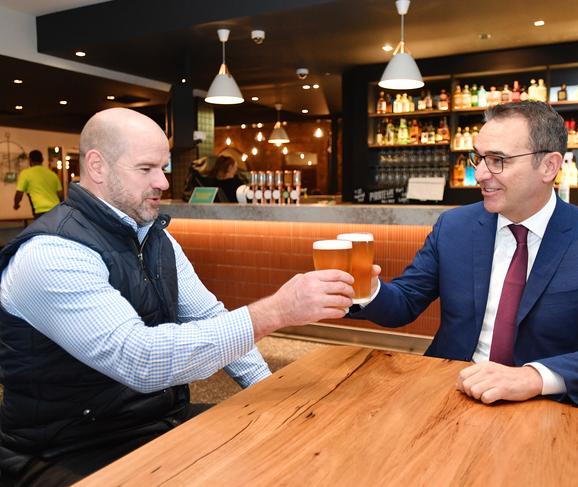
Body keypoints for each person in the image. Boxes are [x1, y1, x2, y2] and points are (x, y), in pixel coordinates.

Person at [0, 108, 354, 485]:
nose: (164, 183)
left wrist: (272, 392)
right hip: (69, 450)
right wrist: (277, 311)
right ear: (97, 166)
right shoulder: (51, 253)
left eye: (164, 168)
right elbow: (140, 360)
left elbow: (210, 317)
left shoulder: (156, 237)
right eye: (146, 169)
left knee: (294, 456)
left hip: (156, 425)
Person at [353, 101, 578, 408]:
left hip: (541, 405)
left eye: (498, 160)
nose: (480, 174)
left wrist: (534, 377)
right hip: (448, 389)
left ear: (549, 166)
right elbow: (405, 302)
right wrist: (366, 288)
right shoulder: (454, 226)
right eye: (479, 158)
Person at [13, 149, 63, 219]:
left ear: (30, 160)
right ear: (42, 160)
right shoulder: (52, 174)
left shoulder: (25, 173)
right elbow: (60, 194)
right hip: (56, 209)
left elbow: (19, 193)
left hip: (40, 210)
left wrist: (16, 205)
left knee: (42, 230)